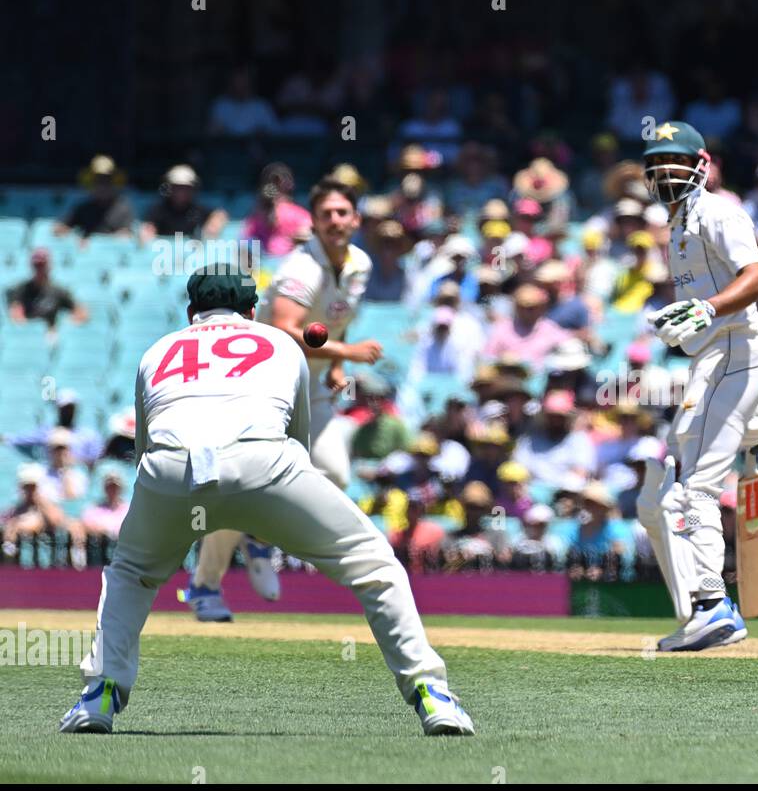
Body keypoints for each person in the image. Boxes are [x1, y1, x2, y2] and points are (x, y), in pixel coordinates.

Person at [57, 267, 473, 736]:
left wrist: (177, 514)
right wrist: (263, 515)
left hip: (170, 470)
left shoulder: (157, 350)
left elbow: (146, 446)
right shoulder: (281, 343)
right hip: (265, 461)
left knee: (131, 575)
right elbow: (297, 440)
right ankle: (431, 695)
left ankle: (99, 696)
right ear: (252, 311)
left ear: (191, 312)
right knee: (375, 565)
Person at [187, 178, 384, 621]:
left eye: (343, 212)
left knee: (333, 472)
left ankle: (261, 535)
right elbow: (283, 331)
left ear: (356, 218)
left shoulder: (360, 263)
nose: (335, 221)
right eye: (326, 214)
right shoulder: (301, 269)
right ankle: (204, 586)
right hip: (269, 385)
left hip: (311, 386)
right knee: (241, 485)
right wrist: (348, 354)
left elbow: (338, 318)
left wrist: (335, 365)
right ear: (312, 221)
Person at [636, 121, 758, 651]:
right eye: (656, 165)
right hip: (713, 362)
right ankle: (757, 428)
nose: (665, 173)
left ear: (702, 163)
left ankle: (714, 608)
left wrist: (705, 309)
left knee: (693, 490)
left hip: (735, 355)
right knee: (670, 483)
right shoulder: (676, 225)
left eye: (675, 161)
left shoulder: (717, 211)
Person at [6, 249, 87, 329]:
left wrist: (65, 325)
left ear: (49, 266)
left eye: (42, 265)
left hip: (51, 336)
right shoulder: (21, 290)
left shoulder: (59, 291)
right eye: (37, 265)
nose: (40, 269)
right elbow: (15, 314)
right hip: (27, 334)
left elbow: (81, 312)